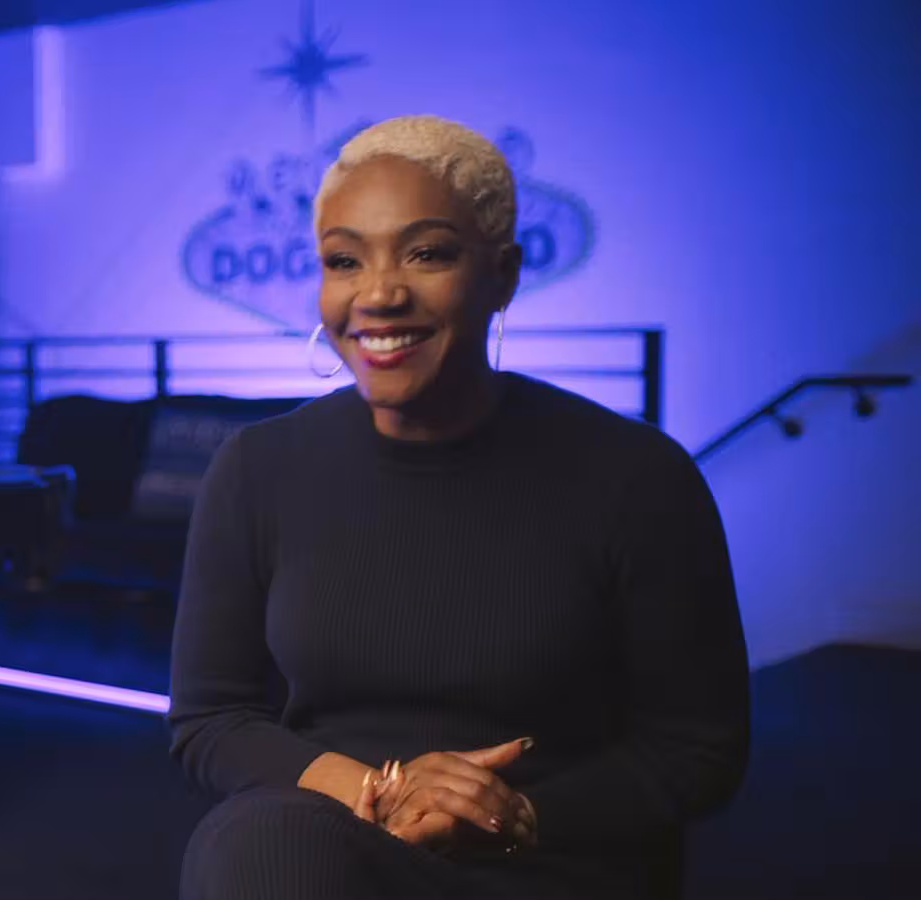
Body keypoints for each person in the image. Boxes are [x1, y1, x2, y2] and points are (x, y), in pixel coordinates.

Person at [167, 115, 749, 900]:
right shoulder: (257, 468)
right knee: (262, 841)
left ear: (502, 275)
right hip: (326, 845)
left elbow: (699, 750)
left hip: (551, 859)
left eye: (428, 253)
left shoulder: (639, 476)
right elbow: (211, 721)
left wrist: (513, 814)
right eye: (344, 261)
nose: (379, 294)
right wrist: (380, 793)